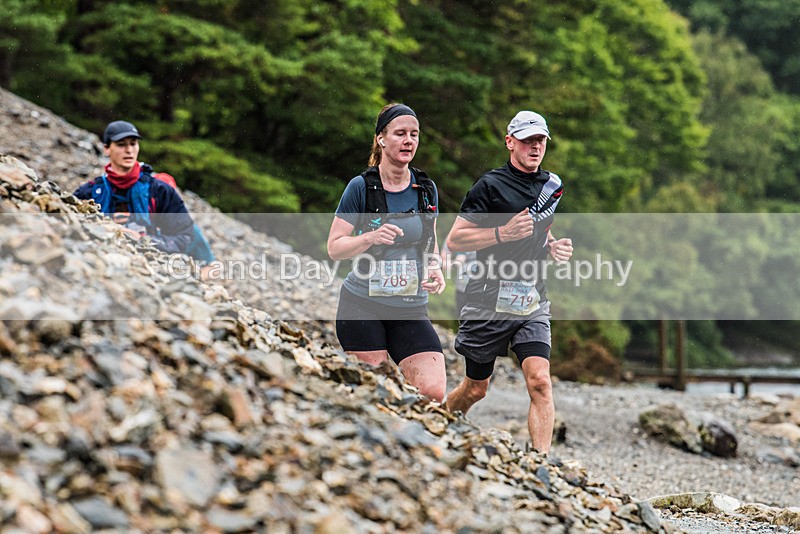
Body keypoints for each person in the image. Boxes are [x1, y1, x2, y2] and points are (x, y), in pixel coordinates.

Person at [444, 110, 573, 454]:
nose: (535, 147)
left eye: (541, 140)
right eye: (528, 140)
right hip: (487, 299)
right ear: (510, 142)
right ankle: (437, 421)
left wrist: (552, 246)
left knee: (541, 383)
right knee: (476, 388)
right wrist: (501, 233)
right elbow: (456, 240)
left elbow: (538, 231)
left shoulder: (552, 185)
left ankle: (542, 464)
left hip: (532, 300)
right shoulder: (489, 186)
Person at [327, 103, 447, 402]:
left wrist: (434, 269)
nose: (409, 141)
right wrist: (369, 237)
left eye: (414, 135)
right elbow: (335, 247)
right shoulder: (361, 187)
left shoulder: (425, 188)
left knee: (432, 391)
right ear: (381, 139)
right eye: (400, 134)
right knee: (375, 393)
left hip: (410, 307)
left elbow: (430, 241)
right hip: (362, 305)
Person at [74, 120, 196, 256]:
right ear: (106, 149)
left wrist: (145, 241)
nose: (129, 150)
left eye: (133, 143)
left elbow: (185, 236)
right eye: (121, 145)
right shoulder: (88, 193)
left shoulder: (159, 190)